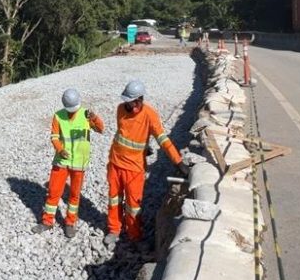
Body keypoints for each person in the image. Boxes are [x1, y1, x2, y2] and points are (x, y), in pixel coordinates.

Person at [104, 80, 189, 246]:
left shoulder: (150, 114)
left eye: (133, 103)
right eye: (127, 103)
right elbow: (126, 134)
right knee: (114, 198)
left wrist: (178, 161)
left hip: (134, 169)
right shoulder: (120, 109)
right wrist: (144, 146)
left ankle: (133, 233)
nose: (130, 107)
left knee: (133, 203)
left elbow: (162, 139)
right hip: (115, 163)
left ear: (140, 100)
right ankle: (114, 229)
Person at [33, 88, 104, 238]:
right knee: (53, 192)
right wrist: (60, 149)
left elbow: (100, 129)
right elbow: (54, 137)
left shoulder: (86, 115)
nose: (72, 112)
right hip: (61, 162)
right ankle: (47, 221)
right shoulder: (58, 116)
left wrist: (95, 118)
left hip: (79, 162)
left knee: (74, 195)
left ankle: (70, 223)